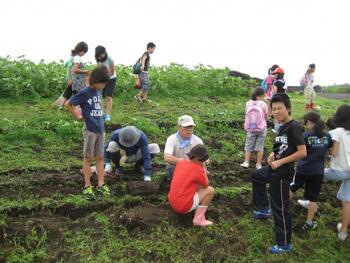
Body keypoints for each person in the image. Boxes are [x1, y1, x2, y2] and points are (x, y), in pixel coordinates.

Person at [251, 93, 307, 254]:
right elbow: (281, 147)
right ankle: (263, 208)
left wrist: (281, 161)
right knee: (256, 176)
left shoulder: (294, 127)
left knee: (280, 208)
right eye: (273, 109)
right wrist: (272, 154)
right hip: (274, 167)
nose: (276, 112)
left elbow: (302, 152)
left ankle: (284, 244)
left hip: (282, 173)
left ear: (288, 109)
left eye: (279, 108)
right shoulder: (282, 127)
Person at [65, 66, 111, 200]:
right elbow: (68, 104)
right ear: (96, 81)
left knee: (100, 157)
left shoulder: (98, 91)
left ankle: (101, 183)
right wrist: (78, 117)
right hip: (90, 130)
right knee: (88, 158)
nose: (104, 86)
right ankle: (87, 185)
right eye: (102, 83)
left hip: (100, 129)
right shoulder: (85, 92)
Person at [290, 112, 332, 230]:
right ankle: (309, 223)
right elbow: (330, 150)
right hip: (318, 171)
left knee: (293, 188)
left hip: (303, 168)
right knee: (313, 198)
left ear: (309, 122)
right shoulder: (327, 136)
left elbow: (298, 151)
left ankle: (280, 209)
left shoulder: (306, 135)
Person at [168, 144, 215, 227]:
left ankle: (193, 207)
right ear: (201, 160)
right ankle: (199, 219)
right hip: (183, 207)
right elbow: (206, 185)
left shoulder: (181, 162)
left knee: (194, 185)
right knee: (210, 190)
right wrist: (203, 169)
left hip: (172, 201)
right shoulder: (198, 169)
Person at [323, 105, 350, 240]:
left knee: (313, 173)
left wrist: (328, 150)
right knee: (347, 201)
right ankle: (343, 232)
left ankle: (310, 202)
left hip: (338, 171)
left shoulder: (337, 131)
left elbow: (333, 151)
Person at [164, 115, 203, 181]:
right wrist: (186, 163)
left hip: (193, 168)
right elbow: (167, 157)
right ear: (179, 127)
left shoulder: (198, 140)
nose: (189, 129)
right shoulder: (172, 139)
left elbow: (205, 159)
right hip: (178, 167)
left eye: (191, 126)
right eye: (186, 127)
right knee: (171, 168)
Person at [241, 88, 269, 169]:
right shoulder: (263, 104)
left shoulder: (248, 103)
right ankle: (258, 164)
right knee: (260, 146)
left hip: (250, 127)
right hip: (261, 127)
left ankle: (246, 162)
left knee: (248, 145)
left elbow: (246, 114)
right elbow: (266, 116)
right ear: (262, 95)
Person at [95, 45, 117, 122]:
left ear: (104, 53)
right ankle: (101, 112)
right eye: (98, 56)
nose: (100, 57)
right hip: (102, 79)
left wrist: (105, 79)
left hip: (111, 78)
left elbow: (112, 72)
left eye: (102, 55)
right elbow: (98, 68)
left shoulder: (110, 59)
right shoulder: (97, 58)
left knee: (108, 97)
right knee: (99, 96)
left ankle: (108, 115)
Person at [270, 67, 286, 133]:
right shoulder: (284, 82)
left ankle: (276, 129)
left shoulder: (276, 83)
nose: (274, 75)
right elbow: (285, 92)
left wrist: (272, 99)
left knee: (275, 114)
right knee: (281, 113)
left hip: (276, 99)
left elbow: (274, 92)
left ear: (278, 74)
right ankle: (281, 127)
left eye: (275, 74)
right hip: (282, 99)